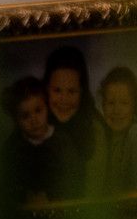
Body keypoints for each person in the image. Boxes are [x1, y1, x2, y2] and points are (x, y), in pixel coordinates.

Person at [3, 76, 73, 205]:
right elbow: (8, 184)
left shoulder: (62, 142)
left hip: (60, 209)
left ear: (47, 108)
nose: (34, 120)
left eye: (38, 111)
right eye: (25, 116)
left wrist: (54, 197)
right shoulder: (13, 148)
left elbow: (71, 179)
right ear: (17, 120)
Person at [42, 45, 98, 197]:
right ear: (46, 89)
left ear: (82, 92)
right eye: (57, 91)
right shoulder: (33, 125)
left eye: (72, 91)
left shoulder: (95, 129)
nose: (64, 100)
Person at [91, 65, 137, 194]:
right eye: (111, 103)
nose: (117, 110)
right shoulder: (104, 137)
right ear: (103, 105)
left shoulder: (135, 134)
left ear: (134, 106)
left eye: (124, 103)